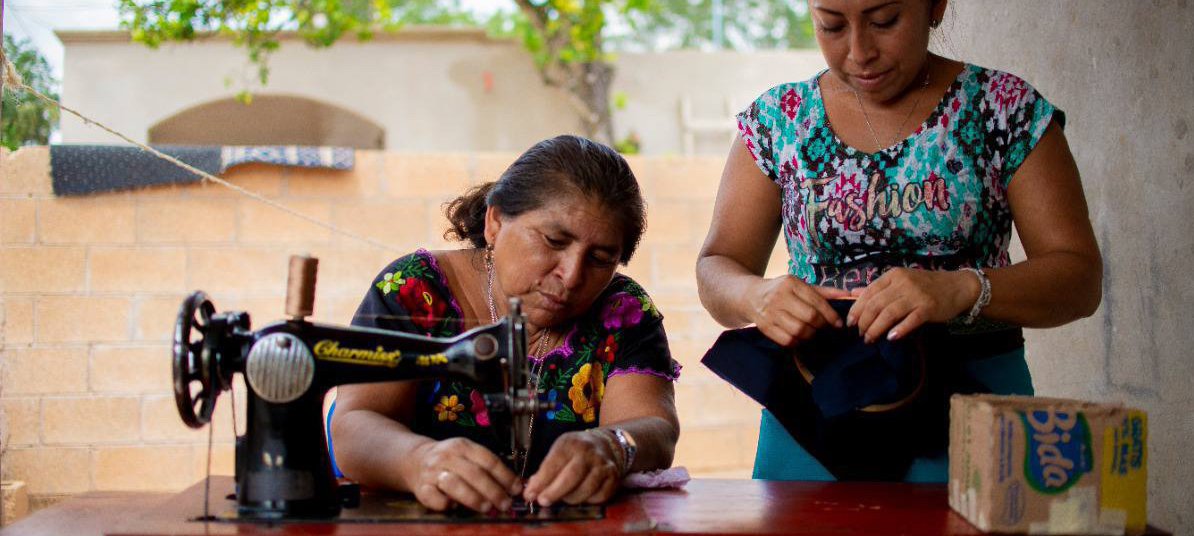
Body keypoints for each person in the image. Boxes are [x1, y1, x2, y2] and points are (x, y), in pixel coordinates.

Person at [695, 0, 1101, 482]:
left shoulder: (1003, 109)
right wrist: (754, 295)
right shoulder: (778, 120)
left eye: (884, 21)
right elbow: (718, 265)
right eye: (831, 25)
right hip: (814, 411)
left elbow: (1078, 278)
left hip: (973, 409)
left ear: (935, 6)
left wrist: (961, 289)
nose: (859, 51)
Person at [330, 134, 681, 512]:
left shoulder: (623, 311)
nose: (572, 275)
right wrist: (417, 460)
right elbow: (354, 424)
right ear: (495, 221)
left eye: (599, 258)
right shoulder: (413, 290)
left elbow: (656, 430)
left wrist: (614, 445)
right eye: (553, 240)